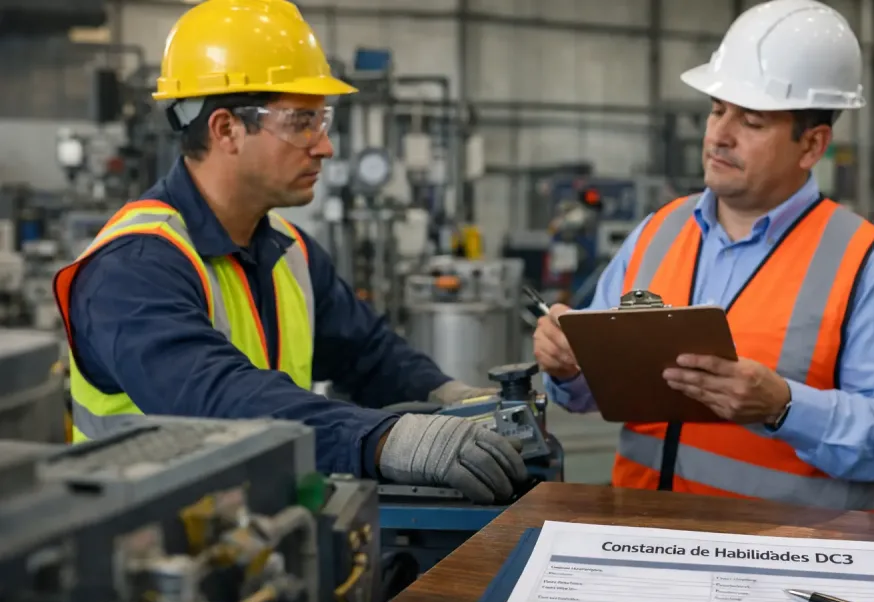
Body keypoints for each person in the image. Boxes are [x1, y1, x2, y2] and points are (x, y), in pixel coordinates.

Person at [52, 0, 527, 504]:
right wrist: (385, 439)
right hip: (150, 553)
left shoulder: (287, 249)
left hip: (265, 539)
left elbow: (368, 356)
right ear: (226, 129)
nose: (324, 146)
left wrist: (450, 398)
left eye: (321, 120)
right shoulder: (132, 269)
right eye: (302, 121)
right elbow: (218, 401)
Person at [532, 0, 874, 511]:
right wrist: (569, 367)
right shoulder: (657, 233)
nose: (719, 135)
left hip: (784, 561)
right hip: (639, 539)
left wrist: (785, 407)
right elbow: (596, 391)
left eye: (750, 121)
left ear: (812, 145)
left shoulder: (870, 270)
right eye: (716, 109)